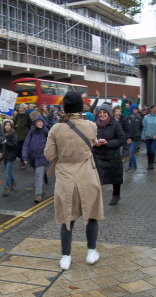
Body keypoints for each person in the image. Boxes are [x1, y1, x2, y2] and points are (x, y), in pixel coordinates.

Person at [44, 91, 104, 271]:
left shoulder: (56, 128)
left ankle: (65, 257)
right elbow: (92, 143)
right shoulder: (91, 126)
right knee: (92, 214)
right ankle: (91, 252)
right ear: (80, 107)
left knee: (67, 218)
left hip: (65, 176)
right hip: (87, 174)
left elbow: (49, 155)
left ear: (64, 108)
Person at [93, 104, 126, 206]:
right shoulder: (94, 125)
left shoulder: (115, 125)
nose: (102, 115)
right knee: (97, 178)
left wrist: (108, 142)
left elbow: (121, 139)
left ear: (109, 114)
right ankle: (95, 197)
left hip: (112, 156)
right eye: (100, 113)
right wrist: (95, 142)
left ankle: (116, 195)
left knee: (115, 176)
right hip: (98, 156)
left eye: (104, 113)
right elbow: (90, 139)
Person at [22, 115, 50, 203]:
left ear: (43, 122)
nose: (39, 123)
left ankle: (38, 195)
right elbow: (26, 144)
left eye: (40, 121)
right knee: (40, 174)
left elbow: (52, 144)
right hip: (33, 157)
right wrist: (25, 156)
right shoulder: (32, 132)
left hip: (42, 156)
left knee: (38, 175)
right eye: (37, 122)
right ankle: (44, 186)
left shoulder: (46, 131)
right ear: (35, 123)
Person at [0, 119, 18, 196]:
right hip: (4, 155)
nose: (7, 126)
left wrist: (6, 142)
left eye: (8, 125)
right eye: (6, 125)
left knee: (7, 172)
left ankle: (7, 187)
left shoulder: (13, 134)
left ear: (11, 126)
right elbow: (0, 146)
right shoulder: (3, 134)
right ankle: (13, 182)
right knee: (8, 171)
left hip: (11, 155)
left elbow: (14, 145)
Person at [141, 105, 156, 169]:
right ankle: (149, 163)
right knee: (148, 151)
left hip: (154, 137)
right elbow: (143, 127)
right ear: (151, 109)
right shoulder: (146, 117)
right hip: (147, 136)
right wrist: (143, 136)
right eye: (154, 108)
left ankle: (151, 163)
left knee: (152, 150)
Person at [12, 103, 32, 170]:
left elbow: (30, 125)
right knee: (18, 150)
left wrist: (29, 133)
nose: (20, 109)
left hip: (25, 136)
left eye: (21, 108)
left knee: (24, 150)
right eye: (20, 108)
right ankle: (22, 158)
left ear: (25, 109)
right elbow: (12, 122)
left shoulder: (28, 116)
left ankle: (22, 162)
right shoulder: (17, 116)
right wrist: (13, 125)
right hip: (18, 135)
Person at [125, 104, 144, 172]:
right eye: (134, 109)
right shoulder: (127, 119)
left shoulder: (139, 118)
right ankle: (134, 164)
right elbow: (125, 129)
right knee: (131, 153)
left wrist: (139, 134)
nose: (135, 111)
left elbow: (141, 128)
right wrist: (127, 137)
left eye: (136, 109)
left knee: (131, 152)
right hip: (129, 138)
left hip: (135, 138)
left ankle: (131, 166)